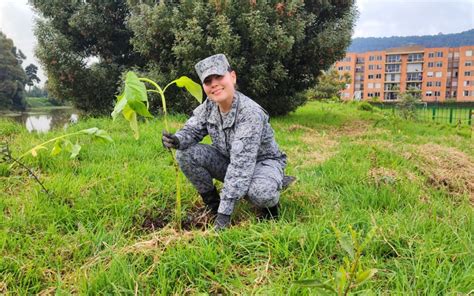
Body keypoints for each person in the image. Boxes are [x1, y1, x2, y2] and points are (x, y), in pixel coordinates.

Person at [162, 54, 295, 231]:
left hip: (261, 164)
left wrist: (224, 217)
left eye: (219, 77)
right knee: (185, 153)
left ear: (232, 77)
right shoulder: (209, 106)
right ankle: (213, 205)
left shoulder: (249, 113)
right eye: (208, 81)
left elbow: (241, 165)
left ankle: (270, 207)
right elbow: (192, 130)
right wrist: (176, 139)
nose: (214, 84)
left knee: (261, 193)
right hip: (229, 160)